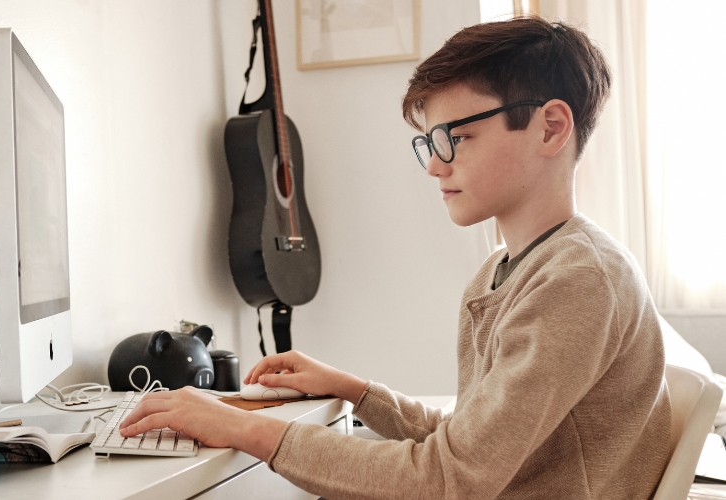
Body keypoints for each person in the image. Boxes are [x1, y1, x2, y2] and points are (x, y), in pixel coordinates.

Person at [119, 16, 670, 499]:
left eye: (454, 137)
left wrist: (242, 429)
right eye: (428, 144)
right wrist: (354, 390)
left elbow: (451, 477)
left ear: (550, 127)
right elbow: (464, 443)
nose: (434, 166)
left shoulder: (578, 281)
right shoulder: (508, 271)